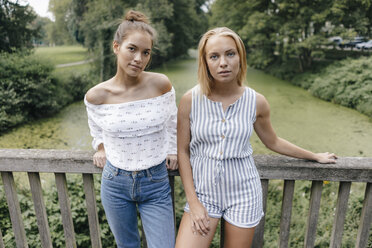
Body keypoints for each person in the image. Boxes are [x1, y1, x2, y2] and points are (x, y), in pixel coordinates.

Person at [175, 27, 337, 248]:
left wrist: (314, 156)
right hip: (203, 193)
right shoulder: (190, 100)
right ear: (205, 62)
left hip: (244, 193)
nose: (223, 62)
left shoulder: (256, 101)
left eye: (230, 54)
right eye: (214, 56)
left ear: (240, 57)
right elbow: (183, 151)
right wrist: (193, 203)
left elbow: (273, 141)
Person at [84, 10, 177, 248]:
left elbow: (172, 122)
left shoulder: (161, 84)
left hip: (155, 181)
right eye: (132, 49)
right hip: (115, 182)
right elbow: (96, 128)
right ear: (116, 47)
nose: (139, 58)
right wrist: (101, 147)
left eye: (146, 52)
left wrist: (174, 150)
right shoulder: (97, 95)